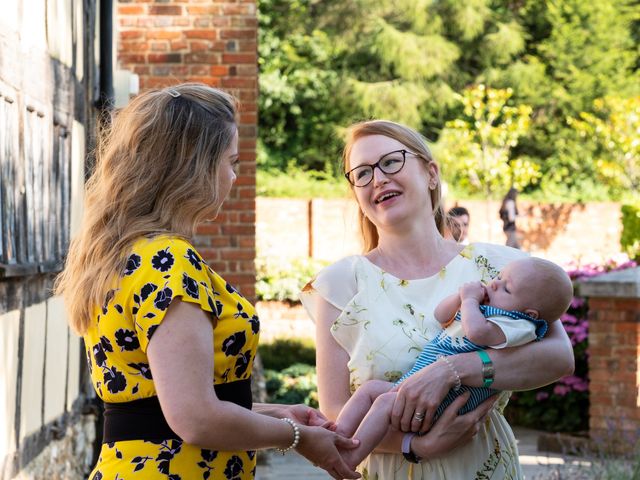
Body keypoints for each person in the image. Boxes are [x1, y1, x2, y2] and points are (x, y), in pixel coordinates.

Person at [54, 83, 360, 480]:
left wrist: (279, 414)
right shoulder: (169, 261)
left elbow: (163, 404)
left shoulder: (123, 253)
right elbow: (196, 418)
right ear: (194, 166)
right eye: (231, 162)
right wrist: (296, 437)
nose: (234, 176)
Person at [299, 119, 574, 478]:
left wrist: (453, 371)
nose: (378, 178)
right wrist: (415, 446)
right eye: (362, 173)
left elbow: (559, 357)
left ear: (431, 174)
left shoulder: (502, 268)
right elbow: (336, 409)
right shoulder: (339, 284)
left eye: (391, 161)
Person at [331, 256, 573, 470]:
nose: (495, 284)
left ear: (529, 313)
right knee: (370, 389)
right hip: (418, 386)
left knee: (383, 401)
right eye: (498, 277)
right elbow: (440, 315)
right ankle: (336, 436)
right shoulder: (489, 307)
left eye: (507, 289)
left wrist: (469, 301)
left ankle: (351, 458)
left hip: (446, 402)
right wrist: (460, 297)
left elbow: (477, 333)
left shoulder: (517, 325)